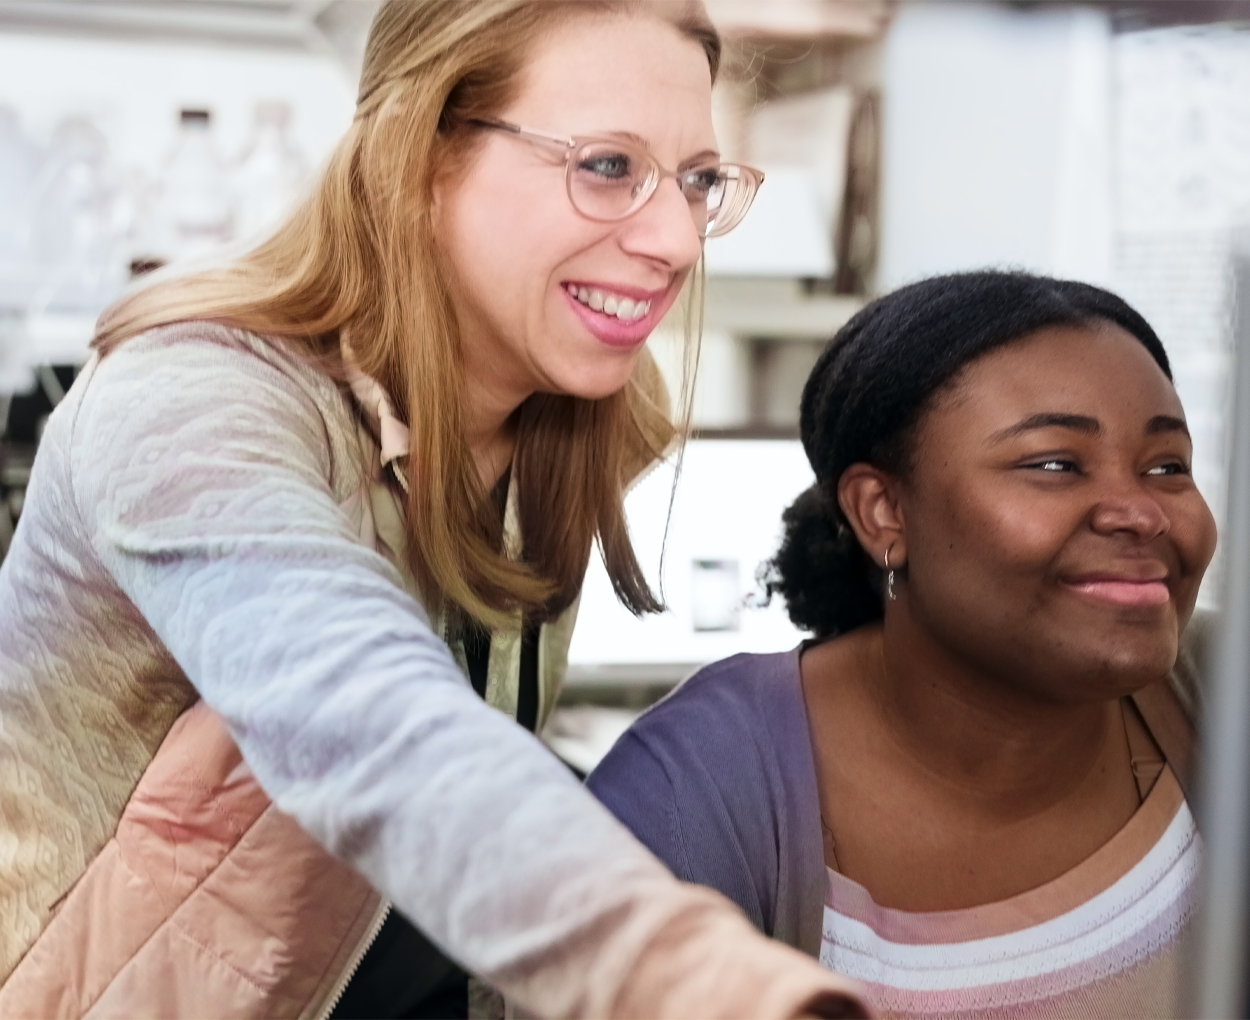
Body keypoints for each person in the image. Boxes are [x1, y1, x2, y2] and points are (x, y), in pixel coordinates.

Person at [0, 3, 867, 1018]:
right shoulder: (192, 401)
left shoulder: (572, 422)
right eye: (605, 166)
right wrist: (700, 983)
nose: (675, 239)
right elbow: (371, 722)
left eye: (697, 180)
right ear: (421, 160)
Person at [590, 271, 1217, 1019]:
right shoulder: (697, 794)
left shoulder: (1218, 693)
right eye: (1055, 464)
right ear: (884, 513)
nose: (1141, 512)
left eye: (1166, 467)